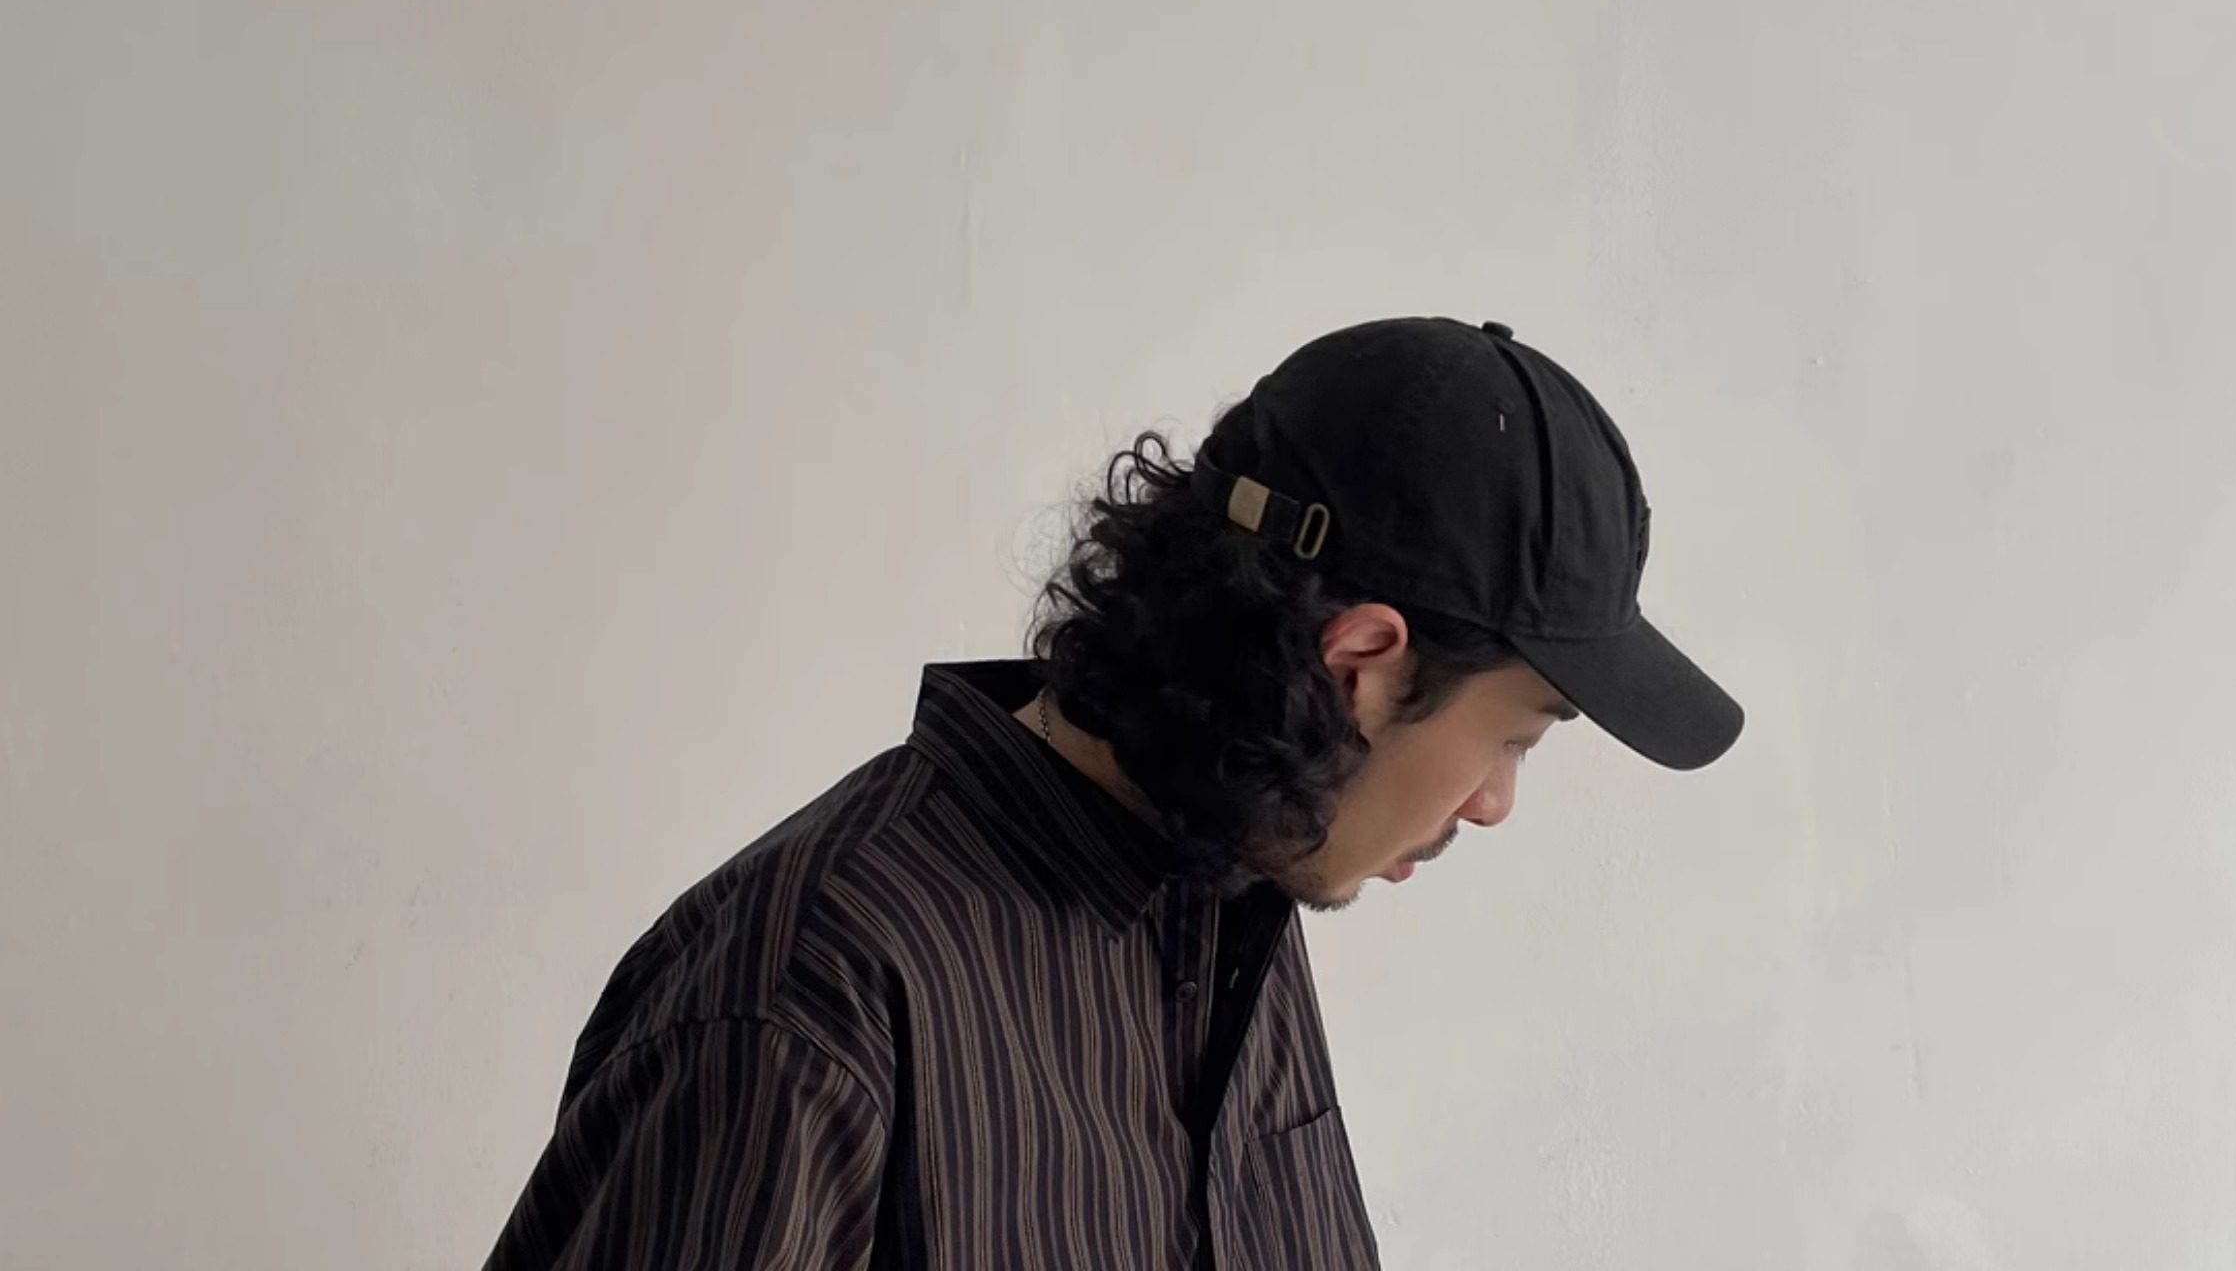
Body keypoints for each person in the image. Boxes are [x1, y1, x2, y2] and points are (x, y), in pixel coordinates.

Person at [482, 316, 1743, 1270]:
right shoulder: (808, 1001)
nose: (1492, 804)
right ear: (1359, 660)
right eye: (1513, 737)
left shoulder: (1233, 903)